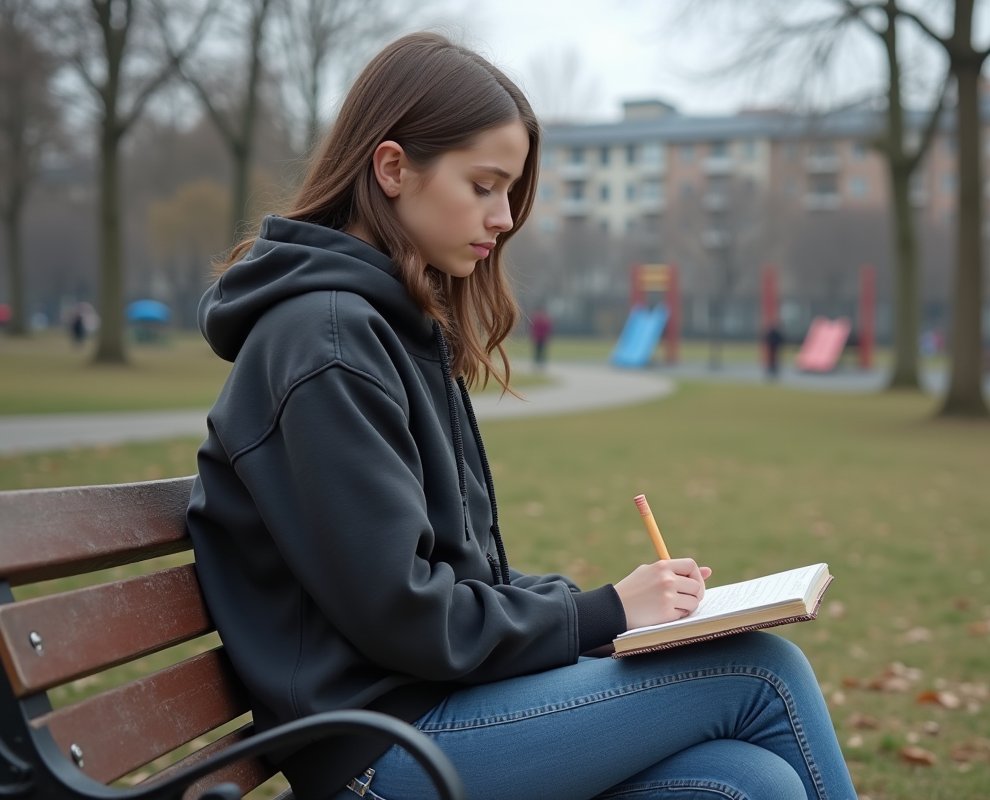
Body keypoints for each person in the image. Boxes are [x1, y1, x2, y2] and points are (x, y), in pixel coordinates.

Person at [187, 32, 855, 800]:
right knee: (759, 671)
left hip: (435, 709)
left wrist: (606, 610)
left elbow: (459, 579)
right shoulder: (327, 341)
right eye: (484, 185)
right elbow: (404, 614)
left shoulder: (384, 326)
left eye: (510, 192)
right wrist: (600, 615)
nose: (504, 218)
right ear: (394, 167)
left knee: (754, 782)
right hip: (380, 750)